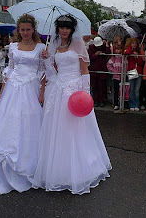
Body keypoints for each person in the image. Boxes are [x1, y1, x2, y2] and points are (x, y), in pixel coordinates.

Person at [31, 14, 111, 195]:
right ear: (58, 28)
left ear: (72, 29)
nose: (64, 30)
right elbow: (51, 74)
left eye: (67, 27)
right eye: (61, 27)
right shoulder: (54, 46)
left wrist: (84, 93)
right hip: (58, 89)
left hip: (75, 91)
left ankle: (79, 168)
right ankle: (59, 168)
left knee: (76, 128)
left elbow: (84, 71)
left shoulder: (78, 45)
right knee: (57, 129)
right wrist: (46, 59)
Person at [0, 14, 46, 194]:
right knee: (7, 120)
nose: (26, 32)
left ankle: (31, 164)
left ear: (33, 30)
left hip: (31, 87)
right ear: (18, 30)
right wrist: (2, 92)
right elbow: (9, 70)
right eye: (22, 29)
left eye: (28, 29)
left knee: (29, 121)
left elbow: (43, 72)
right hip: (13, 86)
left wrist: (42, 93)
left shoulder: (41, 48)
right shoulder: (13, 46)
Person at [88, 36, 110, 107]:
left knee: (101, 87)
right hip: (93, 70)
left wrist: (107, 45)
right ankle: (95, 101)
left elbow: (108, 53)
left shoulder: (103, 47)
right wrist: (96, 54)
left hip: (102, 70)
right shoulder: (91, 48)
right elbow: (90, 57)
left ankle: (101, 101)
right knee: (94, 87)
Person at [124, 38, 144, 111]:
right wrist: (131, 50)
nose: (134, 45)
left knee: (136, 90)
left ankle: (136, 104)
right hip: (131, 71)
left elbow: (141, 63)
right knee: (131, 89)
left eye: (135, 43)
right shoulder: (129, 51)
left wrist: (137, 57)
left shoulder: (139, 52)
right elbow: (126, 53)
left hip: (138, 72)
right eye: (132, 43)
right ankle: (132, 104)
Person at [107, 42, 123, 111]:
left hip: (122, 76)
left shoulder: (123, 57)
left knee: (122, 91)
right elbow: (108, 65)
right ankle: (116, 104)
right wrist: (114, 70)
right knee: (116, 91)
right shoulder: (113, 58)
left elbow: (126, 65)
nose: (117, 51)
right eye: (116, 49)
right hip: (116, 76)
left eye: (119, 49)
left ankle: (122, 103)